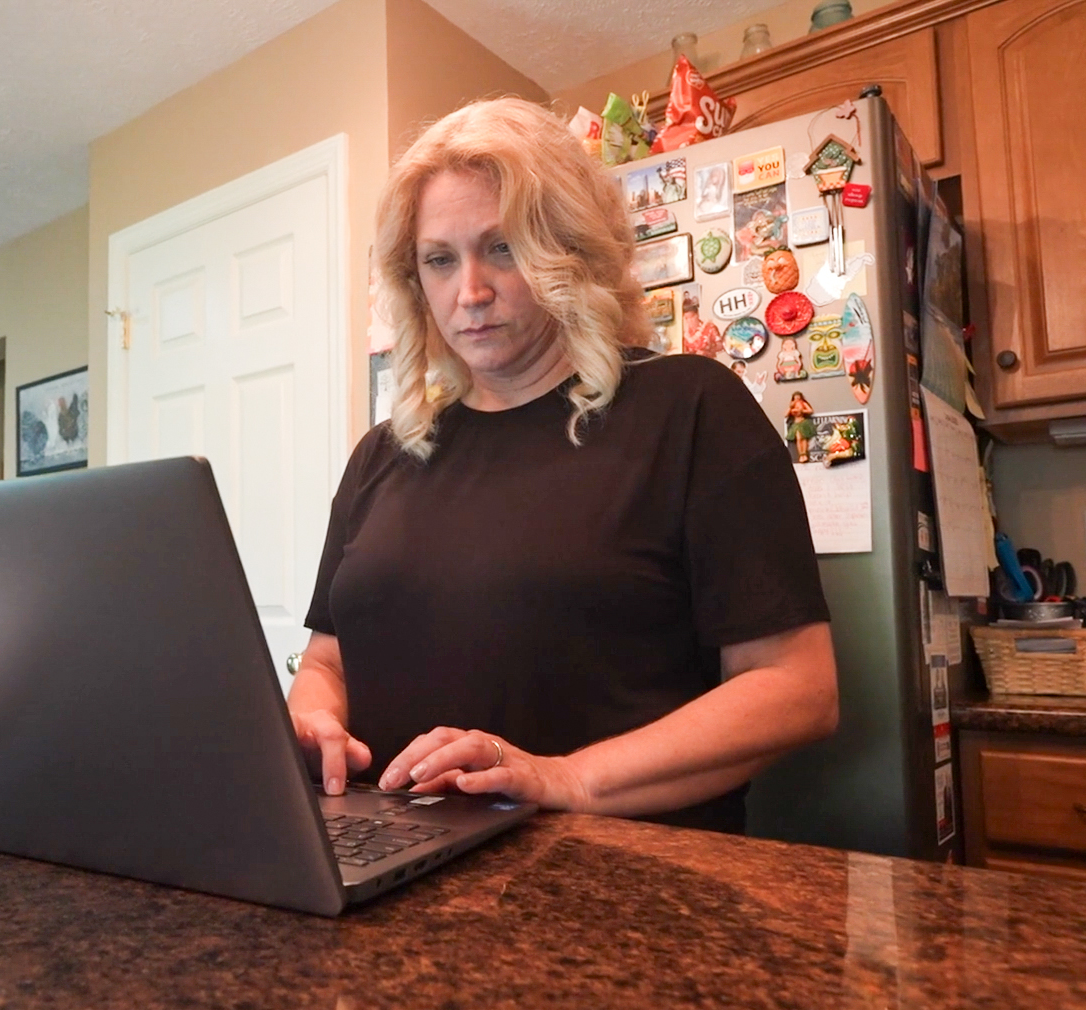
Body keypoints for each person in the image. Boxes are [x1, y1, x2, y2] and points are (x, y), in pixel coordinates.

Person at [285, 98, 837, 833]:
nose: (470, 292)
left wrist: (562, 777)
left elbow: (797, 687)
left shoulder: (690, 410)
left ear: (568, 250)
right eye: (440, 260)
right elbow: (327, 663)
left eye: (503, 247)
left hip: (617, 878)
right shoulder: (383, 455)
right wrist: (313, 721)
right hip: (393, 867)